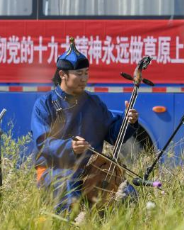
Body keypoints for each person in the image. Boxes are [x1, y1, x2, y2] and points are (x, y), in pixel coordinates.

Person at [31, 37, 139, 212]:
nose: (84, 78)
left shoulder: (94, 103)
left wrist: (128, 121)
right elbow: (43, 144)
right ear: (62, 75)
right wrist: (70, 147)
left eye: (86, 73)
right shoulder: (45, 104)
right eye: (79, 74)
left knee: (127, 193)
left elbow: (114, 135)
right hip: (55, 170)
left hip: (92, 170)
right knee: (69, 189)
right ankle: (67, 227)